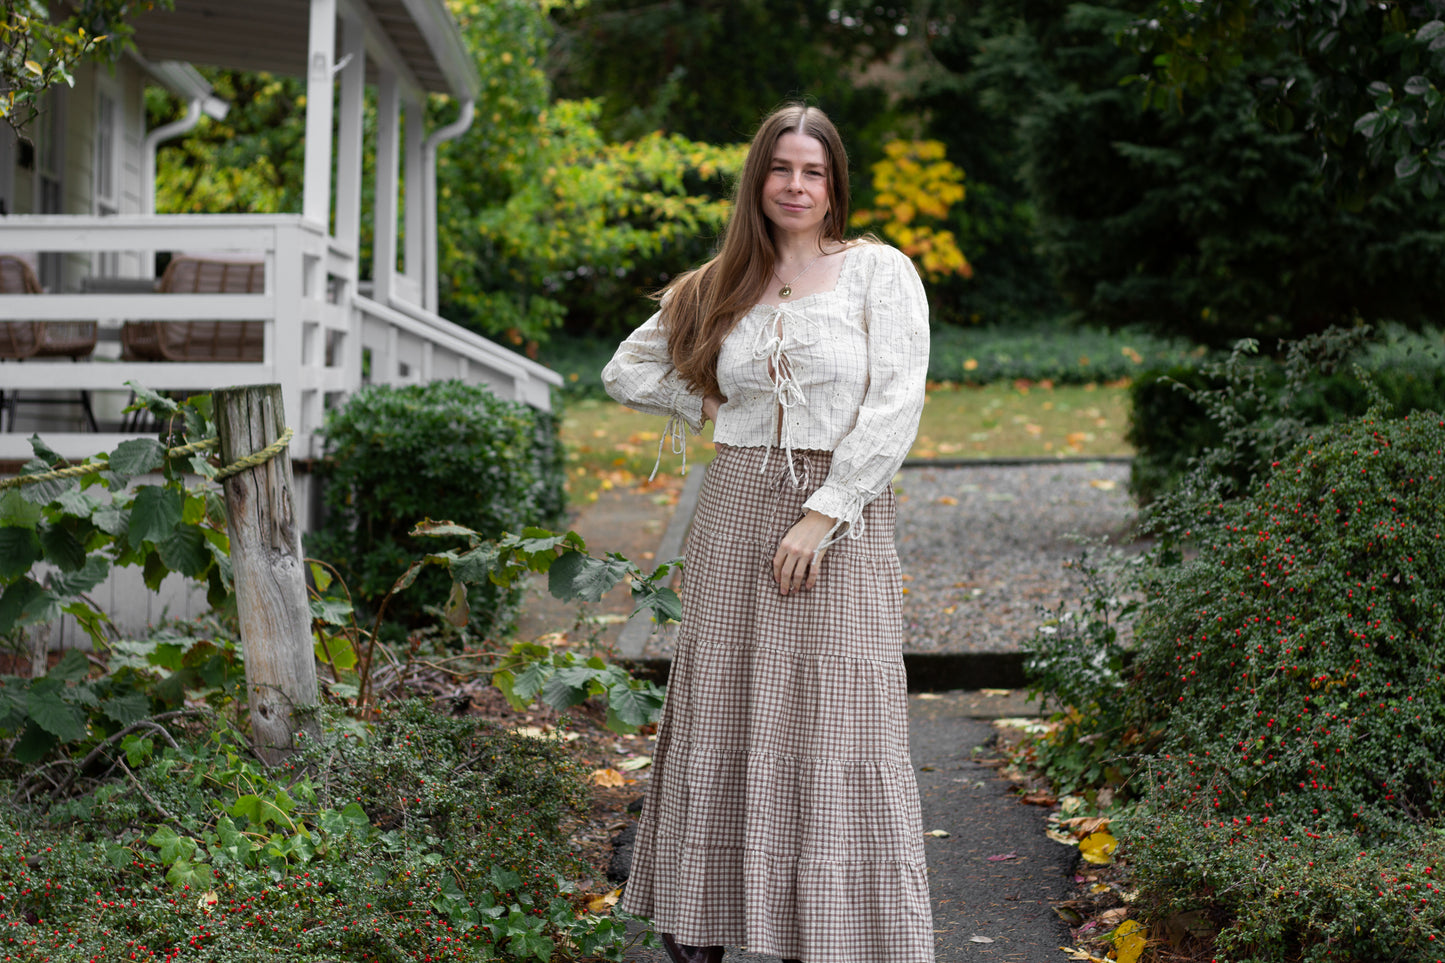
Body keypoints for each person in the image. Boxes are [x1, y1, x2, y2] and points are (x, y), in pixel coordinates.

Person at [602, 102, 934, 963]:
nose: (795, 185)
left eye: (812, 171)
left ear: (834, 186)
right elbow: (624, 368)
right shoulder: (722, 281)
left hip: (842, 514)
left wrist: (823, 512)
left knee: (838, 712)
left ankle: (822, 928)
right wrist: (709, 401)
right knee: (727, 704)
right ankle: (702, 913)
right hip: (737, 504)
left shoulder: (876, 272)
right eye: (780, 168)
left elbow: (895, 403)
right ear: (758, 179)